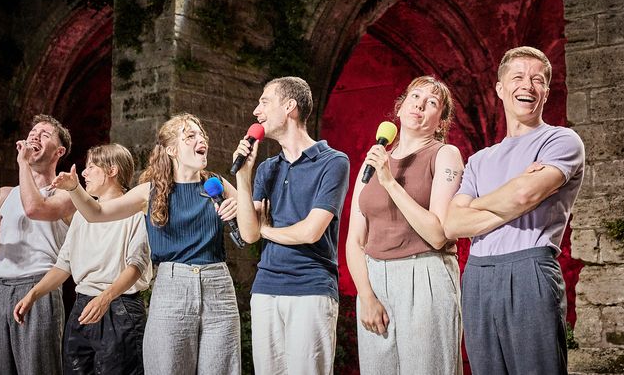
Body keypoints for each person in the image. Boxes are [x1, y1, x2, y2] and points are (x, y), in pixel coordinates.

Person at [52, 113, 244, 374]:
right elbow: (96, 214)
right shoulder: (149, 192)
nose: (201, 140)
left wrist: (240, 205)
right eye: (191, 135)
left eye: (202, 135)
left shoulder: (217, 185)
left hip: (217, 285)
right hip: (173, 286)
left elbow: (254, 226)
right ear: (172, 149)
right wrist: (75, 189)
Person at [445, 46, 585, 375]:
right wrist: (510, 195)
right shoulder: (480, 160)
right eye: (518, 77)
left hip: (530, 270)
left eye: (537, 80)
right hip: (478, 275)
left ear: (546, 92)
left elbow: (524, 194)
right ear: (500, 88)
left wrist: (477, 206)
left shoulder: (561, 141)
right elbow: (452, 224)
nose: (528, 85)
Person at [345, 76, 464, 374]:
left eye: (432, 102)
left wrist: (389, 182)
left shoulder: (444, 155)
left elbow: (437, 234)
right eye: (415, 96)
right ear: (399, 109)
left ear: (440, 122)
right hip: (375, 280)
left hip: (425, 273)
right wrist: (367, 296)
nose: (420, 104)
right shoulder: (374, 160)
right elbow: (354, 239)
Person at [233, 76, 350, 375]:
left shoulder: (333, 162)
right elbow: (248, 234)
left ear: (289, 107)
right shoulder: (267, 169)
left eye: (264, 102)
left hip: (310, 286)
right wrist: (243, 177)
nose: (256, 111)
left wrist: (267, 230)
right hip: (266, 288)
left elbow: (311, 231)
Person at [13, 143, 152, 374]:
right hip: (82, 306)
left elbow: (136, 265)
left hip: (120, 309)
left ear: (112, 170)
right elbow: (64, 264)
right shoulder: (82, 215)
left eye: (91, 167)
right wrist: (33, 294)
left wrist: (105, 297)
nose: (84, 173)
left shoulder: (137, 211)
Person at [0, 114, 75, 374]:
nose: (34, 136)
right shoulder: (5, 195)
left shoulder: (65, 196)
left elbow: (34, 208)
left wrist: (23, 163)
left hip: (38, 288)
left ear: (59, 151)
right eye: (33, 132)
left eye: (44, 134)